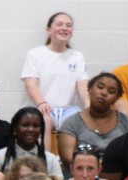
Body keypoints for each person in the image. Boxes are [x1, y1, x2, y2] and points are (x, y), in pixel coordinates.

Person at [20, 12, 88, 149]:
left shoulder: (77, 57)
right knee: (44, 120)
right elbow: (31, 84)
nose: (64, 28)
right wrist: (42, 102)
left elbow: (83, 86)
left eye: (69, 25)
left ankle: (73, 165)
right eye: (59, 24)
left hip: (68, 110)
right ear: (48, 30)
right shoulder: (35, 54)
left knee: (82, 122)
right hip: (43, 108)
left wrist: (88, 106)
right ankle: (46, 163)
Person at [57, 72, 128, 170]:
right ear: (89, 90)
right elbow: (68, 159)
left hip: (118, 176)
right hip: (81, 176)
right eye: (100, 87)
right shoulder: (72, 123)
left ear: (115, 99)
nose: (104, 93)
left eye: (111, 91)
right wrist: (93, 168)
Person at [0, 107, 62, 179]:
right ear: (14, 127)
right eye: (25, 125)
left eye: (35, 126)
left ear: (41, 129)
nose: (30, 129)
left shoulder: (50, 159)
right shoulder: (0, 157)